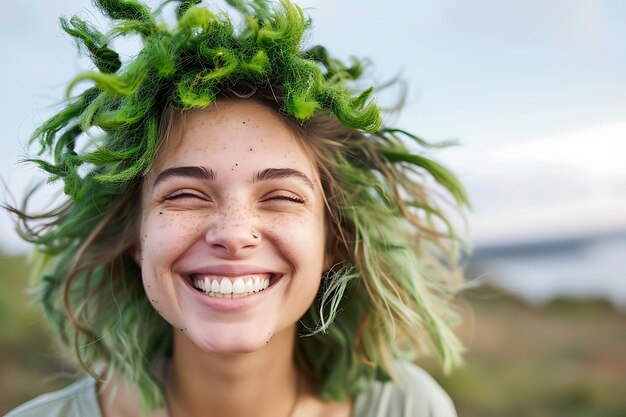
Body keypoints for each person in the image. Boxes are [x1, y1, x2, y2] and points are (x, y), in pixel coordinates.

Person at [6, 0, 468, 416]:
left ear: (333, 242)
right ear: (135, 239)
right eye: (184, 195)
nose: (233, 232)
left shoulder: (409, 407)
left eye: (282, 197)